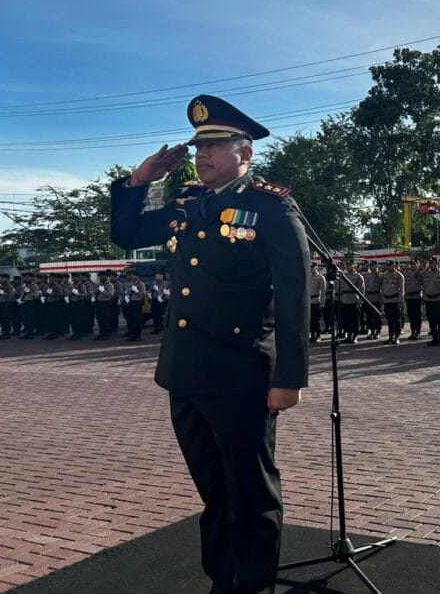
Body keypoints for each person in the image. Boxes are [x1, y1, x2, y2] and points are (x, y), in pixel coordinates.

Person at [110, 94, 309, 594]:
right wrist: (143, 178)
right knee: (214, 491)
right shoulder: (186, 203)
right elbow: (126, 233)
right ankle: (224, 581)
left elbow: (293, 296)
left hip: (242, 374)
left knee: (251, 491)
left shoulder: (270, 206)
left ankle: (254, 586)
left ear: (246, 153)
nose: (203, 155)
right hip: (185, 372)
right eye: (200, 146)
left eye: (216, 146)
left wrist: (290, 378)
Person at [421, 257, 440, 346]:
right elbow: (423, 286)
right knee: (431, 320)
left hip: (438, 299)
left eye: (433, 263)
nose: (432, 264)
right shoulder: (425, 274)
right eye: (430, 263)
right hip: (429, 300)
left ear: (437, 263)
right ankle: (434, 338)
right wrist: (424, 298)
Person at [379, 260, 406, 344]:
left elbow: (402, 290)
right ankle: (391, 336)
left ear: (394, 266)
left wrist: (400, 301)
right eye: (387, 266)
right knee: (389, 320)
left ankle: (396, 337)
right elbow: (382, 288)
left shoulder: (399, 275)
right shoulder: (383, 275)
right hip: (387, 300)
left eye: (390, 265)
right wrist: (382, 299)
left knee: (396, 320)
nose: (388, 267)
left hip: (395, 300)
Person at [403, 260, 424, 340]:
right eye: (411, 264)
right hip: (409, 297)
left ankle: (417, 332)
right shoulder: (406, 274)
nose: (412, 266)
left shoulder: (421, 274)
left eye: (414, 264)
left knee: (417, 316)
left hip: (417, 297)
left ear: (417, 265)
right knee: (411, 316)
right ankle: (413, 331)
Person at [307, 263, 325, 343]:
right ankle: (312, 334)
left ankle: (318, 335)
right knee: (310, 319)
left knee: (317, 319)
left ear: (317, 268)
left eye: (313, 267)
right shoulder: (308, 277)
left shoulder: (320, 277)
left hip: (316, 300)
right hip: (309, 301)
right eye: (311, 267)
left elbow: (323, 291)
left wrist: (322, 302)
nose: (312, 269)